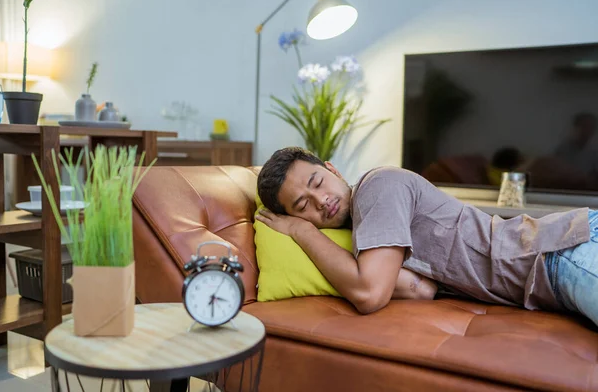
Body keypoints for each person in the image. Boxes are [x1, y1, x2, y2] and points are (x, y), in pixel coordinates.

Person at [255, 146, 597, 328]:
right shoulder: (366, 229)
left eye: (317, 183)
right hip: (555, 263)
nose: (322, 201)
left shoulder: (377, 187)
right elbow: (421, 289)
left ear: (333, 169)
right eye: (303, 206)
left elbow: (369, 292)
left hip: (561, 251)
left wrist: (302, 230)